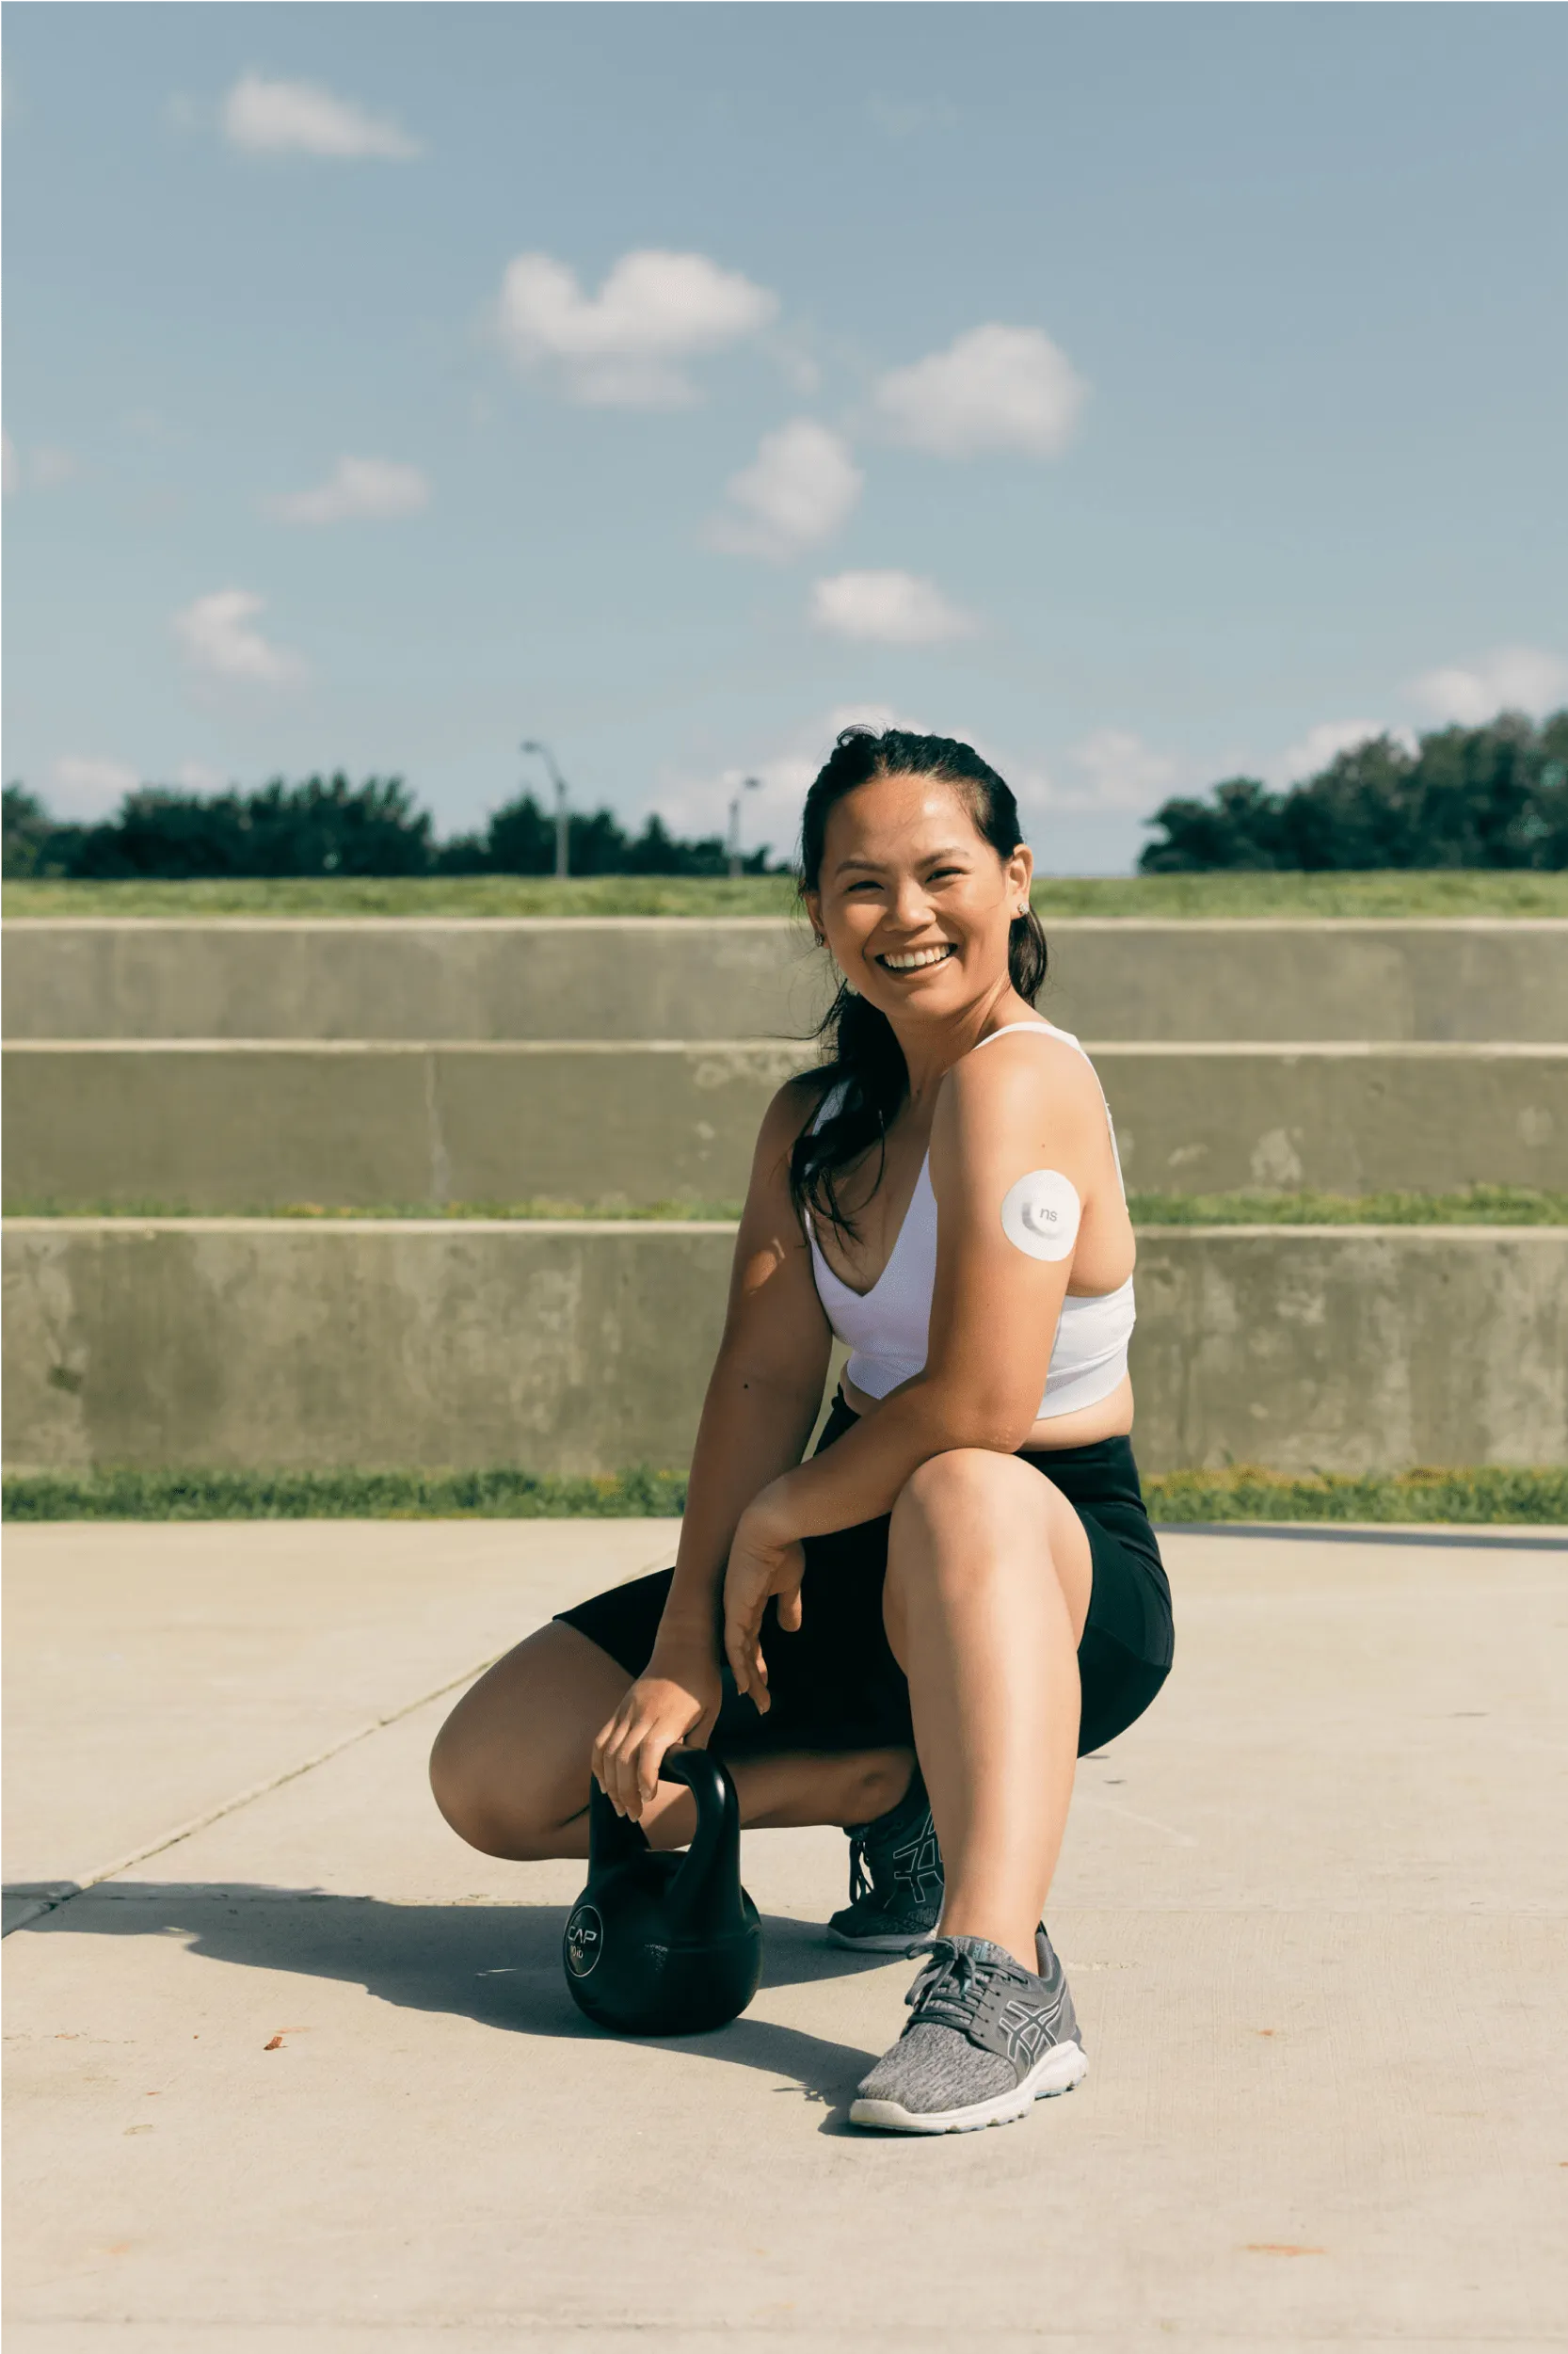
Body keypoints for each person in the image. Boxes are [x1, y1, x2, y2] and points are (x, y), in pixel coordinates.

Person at [430, 727, 1174, 2135]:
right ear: (817, 913)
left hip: (1046, 1560)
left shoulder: (1027, 1080)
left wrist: (778, 1522)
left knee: (958, 1484)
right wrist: (684, 1645)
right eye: (860, 886)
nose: (906, 918)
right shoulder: (813, 1118)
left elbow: (980, 1405)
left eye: (941, 873)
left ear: (1014, 882)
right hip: (849, 1545)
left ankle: (1001, 1972)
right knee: (498, 1778)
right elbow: (761, 1388)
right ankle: (901, 1802)